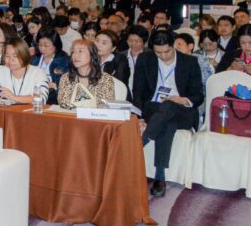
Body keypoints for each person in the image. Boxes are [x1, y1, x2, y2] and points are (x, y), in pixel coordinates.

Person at [133, 28, 203, 197]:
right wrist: (139, 116)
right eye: (158, 52)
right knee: (167, 120)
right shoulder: (145, 59)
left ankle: (140, 142)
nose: (163, 56)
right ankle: (160, 177)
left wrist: (183, 100)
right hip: (154, 108)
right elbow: (138, 90)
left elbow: (199, 95)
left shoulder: (189, 62)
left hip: (182, 111)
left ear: (173, 46)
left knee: (169, 107)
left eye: (167, 52)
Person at [0, 38, 49, 104]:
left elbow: (41, 99)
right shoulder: (0, 70)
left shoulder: (38, 73)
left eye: (15, 56)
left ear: (24, 55)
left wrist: (13, 97)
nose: (11, 60)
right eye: (7, 56)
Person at [57, 39, 117, 109]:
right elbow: (63, 102)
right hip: (72, 115)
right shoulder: (66, 77)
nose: (75, 55)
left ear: (92, 55)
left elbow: (106, 105)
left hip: (96, 116)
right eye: (73, 52)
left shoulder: (105, 79)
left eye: (80, 51)